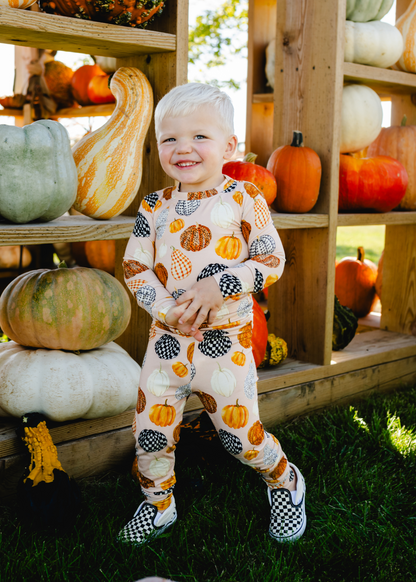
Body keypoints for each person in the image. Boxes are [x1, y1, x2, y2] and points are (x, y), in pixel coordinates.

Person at [118, 83, 306, 546]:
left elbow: (270, 259)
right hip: (167, 344)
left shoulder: (244, 198)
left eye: (199, 137)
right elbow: (136, 267)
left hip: (227, 343)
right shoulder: (154, 207)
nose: (183, 148)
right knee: (150, 434)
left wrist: (217, 284)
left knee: (241, 436)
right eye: (170, 139)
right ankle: (158, 504)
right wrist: (166, 308)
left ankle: (285, 482)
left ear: (230, 146)